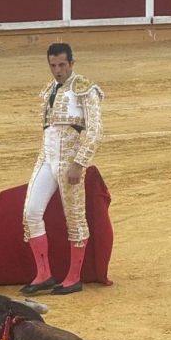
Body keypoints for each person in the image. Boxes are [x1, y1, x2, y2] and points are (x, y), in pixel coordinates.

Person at [21, 43, 103, 296]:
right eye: (53, 65)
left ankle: (73, 277)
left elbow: (95, 129)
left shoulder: (85, 89)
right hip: (46, 156)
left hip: (70, 160)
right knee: (31, 213)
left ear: (72, 63)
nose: (57, 70)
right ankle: (43, 274)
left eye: (62, 65)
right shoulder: (49, 89)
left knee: (75, 217)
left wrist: (80, 163)